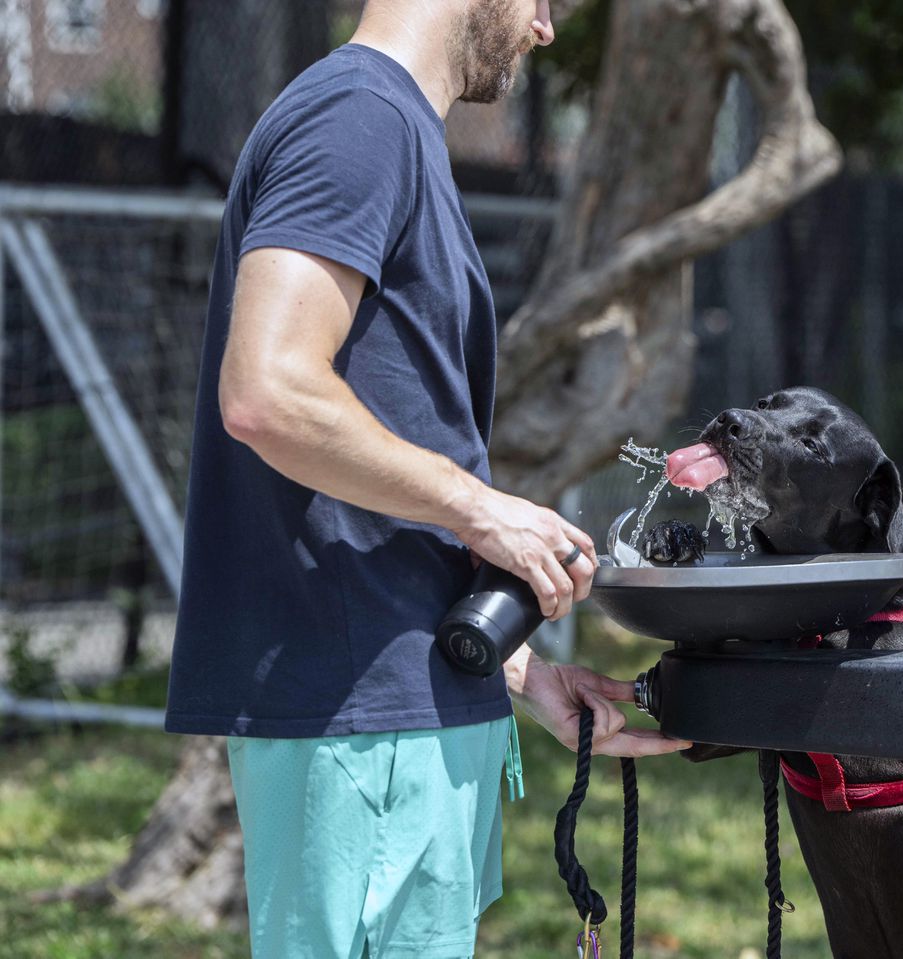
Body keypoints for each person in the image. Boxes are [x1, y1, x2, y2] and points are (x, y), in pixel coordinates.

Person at [163, 2, 690, 956]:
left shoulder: (386, 123)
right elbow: (269, 389)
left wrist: (520, 669)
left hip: (401, 710)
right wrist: (485, 511)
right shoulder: (358, 118)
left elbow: (375, 457)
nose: (544, 28)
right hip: (358, 727)